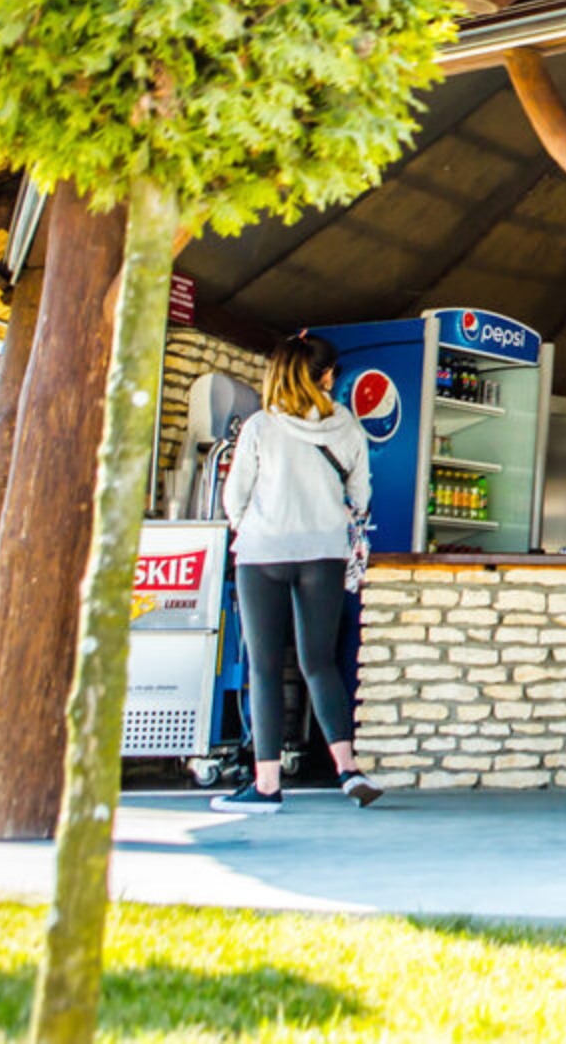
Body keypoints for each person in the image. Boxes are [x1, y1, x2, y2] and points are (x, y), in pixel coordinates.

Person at [214, 334, 382, 812]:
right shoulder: (348, 428)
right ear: (326, 377)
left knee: (265, 668)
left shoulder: (260, 427)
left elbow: (234, 498)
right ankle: (348, 769)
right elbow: (361, 498)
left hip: (263, 553)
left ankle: (267, 785)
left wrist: (253, 527)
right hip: (323, 554)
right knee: (319, 663)